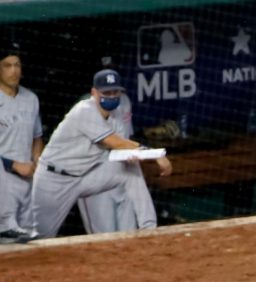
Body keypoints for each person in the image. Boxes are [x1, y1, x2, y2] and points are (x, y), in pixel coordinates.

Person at [31, 69, 171, 238]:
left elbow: (118, 150)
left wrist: (134, 155)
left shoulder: (115, 117)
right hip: (54, 180)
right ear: (94, 92)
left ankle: (149, 230)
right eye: (106, 92)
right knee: (39, 238)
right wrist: (155, 154)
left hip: (86, 176)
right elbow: (115, 142)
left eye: (115, 92)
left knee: (130, 171)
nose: (111, 96)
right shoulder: (84, 110)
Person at [76, 91, 157, 233]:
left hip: (123, 175)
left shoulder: (124, 100)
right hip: (96, 179)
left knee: (129, 237)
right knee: (103, 240)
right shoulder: (84, 107)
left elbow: (126, 137)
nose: (112, 93)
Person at [0, 41, 42, 244]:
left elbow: (37, 137)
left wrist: (37, 158)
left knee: (27, 243)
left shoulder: (31, 98)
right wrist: (13, 164)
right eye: (7, 66)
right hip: (4, 177)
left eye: (17, 65)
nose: (14, 71)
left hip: (27, 177)